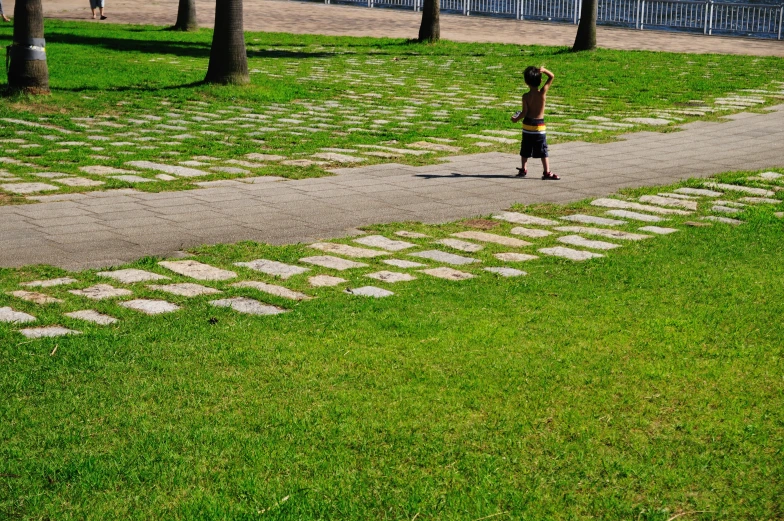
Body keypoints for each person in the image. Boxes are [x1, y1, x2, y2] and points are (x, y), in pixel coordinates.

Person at [511, 66, 559, 180]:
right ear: (540, 81)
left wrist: (515, 119)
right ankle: (546, 172)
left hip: (527, 125)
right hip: (539, 127)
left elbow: (524, 112)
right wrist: (544, 70)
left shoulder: (525, 96)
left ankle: (523, 169)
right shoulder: (542, 93)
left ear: (526, 82)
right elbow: (552, 76)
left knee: (525, 148)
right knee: (543, 150)